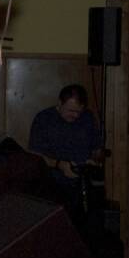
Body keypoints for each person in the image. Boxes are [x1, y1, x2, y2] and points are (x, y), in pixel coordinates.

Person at [27, 84, 103, 224]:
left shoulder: (87, 118)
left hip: (82, 187)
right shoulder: (44, 119)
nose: (75, 115)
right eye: (71, 110)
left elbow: (97, 149)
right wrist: (60, 165)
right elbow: (34, 155)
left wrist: (94, 160)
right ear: (60, 103)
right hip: (52, 187)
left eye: (78, 112)